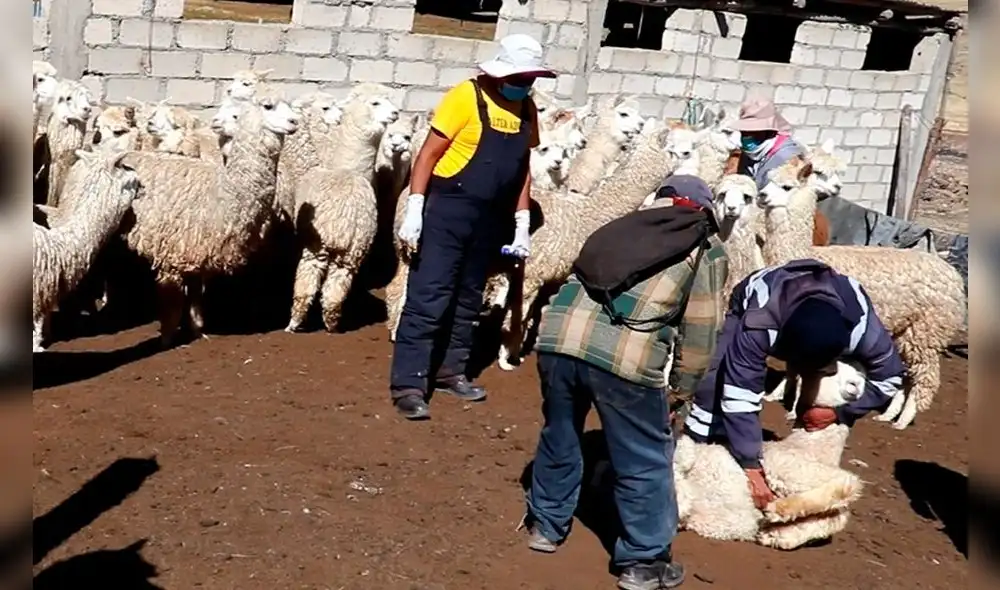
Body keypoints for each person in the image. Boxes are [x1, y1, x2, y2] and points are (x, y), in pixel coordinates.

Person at [522, 176, 729, 590]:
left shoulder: (619, 226)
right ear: (705, 210)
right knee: (644, 457)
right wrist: (681, 391)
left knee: (560, 432)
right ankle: (643, 562)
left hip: (557, 340)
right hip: (624, 361)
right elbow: (702, 329)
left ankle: (545, 526)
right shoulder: (704, 248)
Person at [389, 34, 554, 420]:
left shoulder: (526, 109)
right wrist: (415, 207)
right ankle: (409, 384)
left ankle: (451, 371)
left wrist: (522, 222)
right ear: (501, 73)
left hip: (490, 217)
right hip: (449, 209)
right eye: (521, 76)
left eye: (531, 78)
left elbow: (521, 169)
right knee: (430, 296)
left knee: (469, 299)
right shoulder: (466, 96)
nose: (526, 84)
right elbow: (429, 153)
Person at [683, 259, 906, 510]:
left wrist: (838, 412)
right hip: (760, 296)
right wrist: (752, 467)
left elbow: (890, 378)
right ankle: (698, 448)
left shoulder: (862, 327)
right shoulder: (759, 322)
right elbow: (739, 392)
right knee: (715, 378)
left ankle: (809, 464)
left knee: (838, 392)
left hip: (820, 315)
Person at [729, 98, 806, 191]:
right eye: (744, 131)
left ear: (768, 130)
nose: (746, 136)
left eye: (753, 131)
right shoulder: (750, 152)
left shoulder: (786, 157)